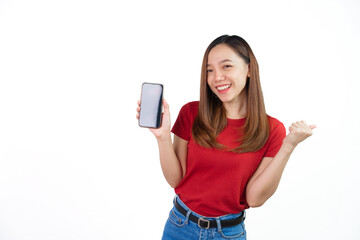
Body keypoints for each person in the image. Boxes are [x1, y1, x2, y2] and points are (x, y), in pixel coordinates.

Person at [136, 35, 316, 240]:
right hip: (180, 226)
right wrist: (162, 137)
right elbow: (175, 179)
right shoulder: (191, 113)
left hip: (228, 234)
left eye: (227, 66)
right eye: (209, 70)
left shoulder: (272, 129)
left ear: (249, 70)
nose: (217, 77)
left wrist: (288, 147)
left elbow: (254, 199)